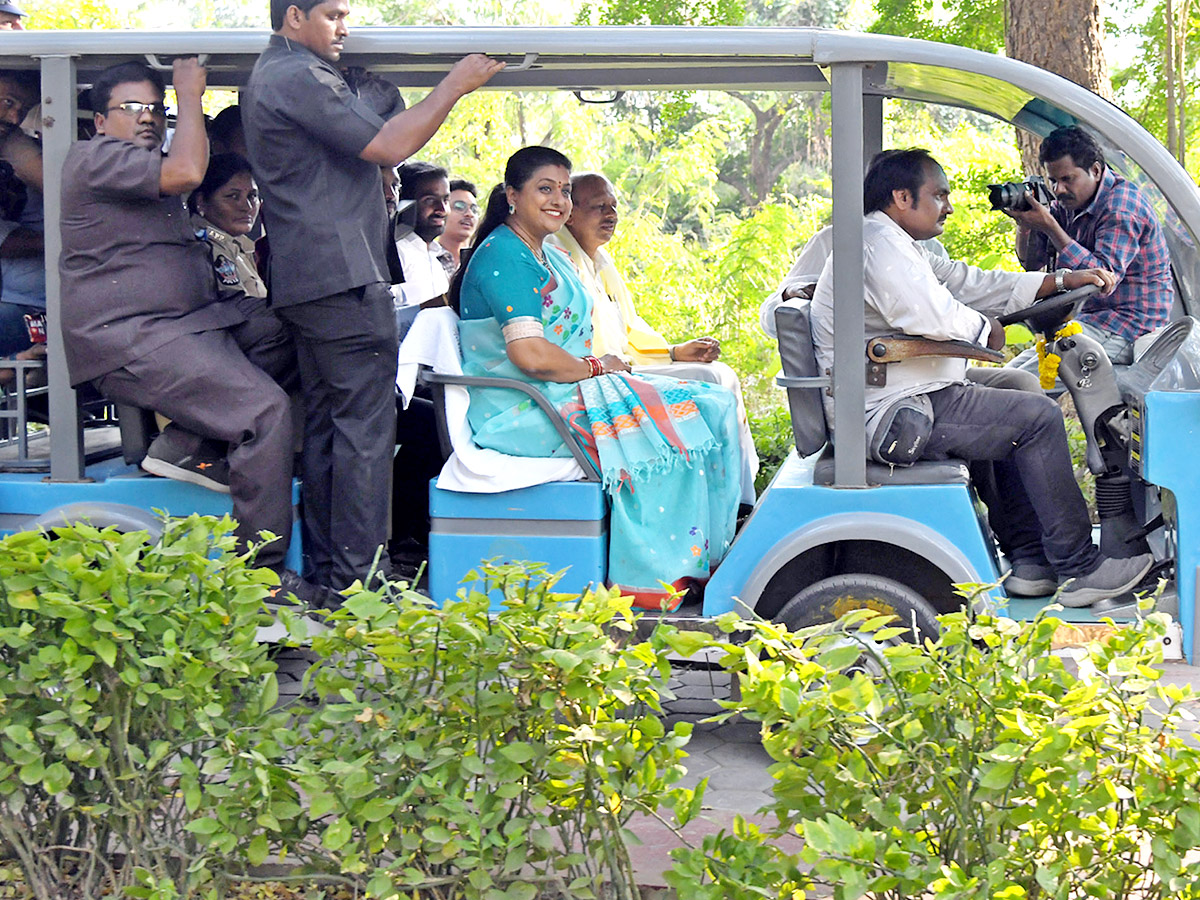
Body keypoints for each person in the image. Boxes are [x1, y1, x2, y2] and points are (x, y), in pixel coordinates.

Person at [809, 148, 1152, 607]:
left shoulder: (896, 242)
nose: (948, 207)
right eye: (939, 196)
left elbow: (964, 281)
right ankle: (1080, 567)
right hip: (891, 409)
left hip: (902, 388)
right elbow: (929, 312)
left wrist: (1059, 282)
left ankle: (1030, 561)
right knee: (1037, 418)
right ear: (901, 197)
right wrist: (983, 329)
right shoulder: (878, 246)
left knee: (1017, 390)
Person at [242, 0, 502, 591]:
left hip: (312, 279)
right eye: (331, 15)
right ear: (292, 17)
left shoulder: (284, 73)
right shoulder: (295, 74)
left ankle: (333, 578)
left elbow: (379, 113)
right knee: (365, 432)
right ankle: (360, 585)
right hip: (341, 278)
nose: (344, 28)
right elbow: (389, 145)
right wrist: (455, 84)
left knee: (335, 432)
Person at [59, 59, 328, 605]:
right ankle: (263, 577)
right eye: (131, 109)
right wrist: (188, 95)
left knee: (309, 336)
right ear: (98, 122)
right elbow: (186, 173)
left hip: (197, 323)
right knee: (263, 412)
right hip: (133, 337)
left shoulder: (143, 168)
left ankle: (183, 444)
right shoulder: (94, 160)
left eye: (155, 110)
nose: (147, 119)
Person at [457, 146, 743, 610]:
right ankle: (652, 578)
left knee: (715, 403)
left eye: (565, 191)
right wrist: (596, 368)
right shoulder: (505, 256)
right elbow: (530, 355)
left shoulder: (543, 250)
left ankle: (709, 558)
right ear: (512, 194)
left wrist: (596, 370)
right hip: (525, 407)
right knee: (675, 428)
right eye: (544, 189)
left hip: (565, 390)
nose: (558, 200)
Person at [548, 171, 760, 505]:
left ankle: (739, 494)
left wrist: (674, 352)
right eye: (600, 206)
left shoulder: (601, 261)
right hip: (593, 377)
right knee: (712, 381)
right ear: (570, 212)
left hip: (619, 368)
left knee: (721, 374)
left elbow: (628, 330)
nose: (611, 215)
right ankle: (725, 500)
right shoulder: (556, 257)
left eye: (614, 206)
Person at [1008, 125, 1173, 365]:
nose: (1059, 189)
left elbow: (1103, 278)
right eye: (1052, 181)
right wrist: (1024, 226)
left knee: (1024, 382)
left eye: (1067, 179)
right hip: (1090, 320)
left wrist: (1051, 227)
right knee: (1012, 374)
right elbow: (1032, 263)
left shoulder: (1122, 206)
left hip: (1130, 326)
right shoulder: (1066, 203)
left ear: (1095, 170)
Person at [392, 161, 452, 311]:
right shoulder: (394, 254)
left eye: (445, 200)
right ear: (404, 204)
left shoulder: (437, 257)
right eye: (430, 200)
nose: (442, 210)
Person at [436, 178, 477, 275]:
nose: (469, 214)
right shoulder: (427, 256)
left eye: (474, 209)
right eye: (459, 206)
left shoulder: (481, 259)